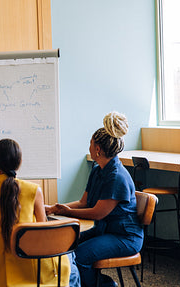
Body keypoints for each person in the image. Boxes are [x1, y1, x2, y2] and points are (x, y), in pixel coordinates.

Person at [46, 112, 143, 287]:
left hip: (125, 236)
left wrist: (66, 211)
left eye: (91, 144)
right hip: (106, 230)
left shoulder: (116, 176)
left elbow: (98, 213)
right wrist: (55, 208)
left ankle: (103, 285)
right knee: (66, 243)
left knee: (81, 255)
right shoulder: (98, 169)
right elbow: (84, 202)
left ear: (97, 149)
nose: (89, 147)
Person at [0, 138, 79, 287]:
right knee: (70, 262)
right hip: (30, 265)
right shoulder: (33, 190)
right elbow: (43, 231)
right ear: (20, 162)